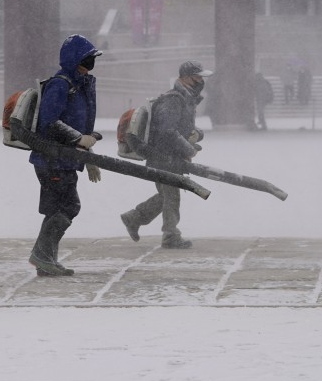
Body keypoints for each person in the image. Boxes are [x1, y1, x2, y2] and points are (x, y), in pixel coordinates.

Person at [27, 34, 103, 277]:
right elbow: (49, 122)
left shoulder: (79, 84)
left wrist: (88, 155)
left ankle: (45, 259)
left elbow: (79, 125)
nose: (91, 63)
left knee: (57, 208)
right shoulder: (62, 85)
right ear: (76, 59)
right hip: (51, 159)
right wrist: (79, 140)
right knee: (68, 205)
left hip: (64, 159)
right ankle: (42, 256)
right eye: (88, 59)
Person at [119, 60, 212, 249]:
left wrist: (197, 134)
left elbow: (183, 127)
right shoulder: (174, 100)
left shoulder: (185, 99)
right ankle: (170, 235)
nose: (201, 81)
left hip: (170, 156)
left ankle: (134, 218)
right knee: (171, 196)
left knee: (166, 195)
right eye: (198, 77)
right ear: (186, 78)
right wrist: (188, 148)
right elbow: (167, 131)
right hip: (162, 156)